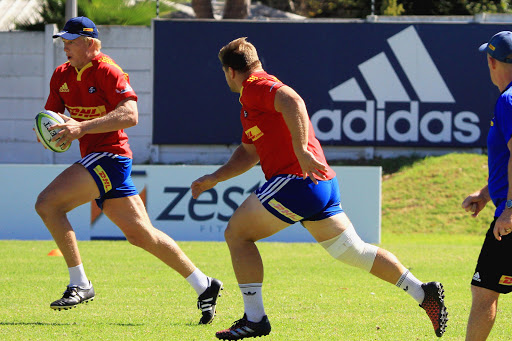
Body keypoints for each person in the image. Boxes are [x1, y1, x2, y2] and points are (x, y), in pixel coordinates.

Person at [191, 37, 448, 340]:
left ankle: (255, 318)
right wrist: (215, 177)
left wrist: (300, 149)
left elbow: (293, 101)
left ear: (231, 72)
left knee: (237, 233)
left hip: (296, 182)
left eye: (224, 73)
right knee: (353, 251)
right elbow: (249, 153)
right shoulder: (253, 99)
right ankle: (423, 292)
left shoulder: (256, 87)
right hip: (319, 185)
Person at [34, 16, 222, 324]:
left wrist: (82, 127)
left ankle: (80, 283)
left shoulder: (108, 70)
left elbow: (130, 114)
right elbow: (52, 115)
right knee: (141, 235)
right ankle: (205, 285)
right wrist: (49, 132)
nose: (64, 46)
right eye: (63, 40)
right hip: (96, 158)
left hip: (110, 156)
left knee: (48, 204)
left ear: (90, 43)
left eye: (70, 40)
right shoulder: (61, 75)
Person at [462, 31, 512, 341]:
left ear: (491, 61)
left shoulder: (508, 100)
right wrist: (486, 193)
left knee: (484, 291)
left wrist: (508, 209)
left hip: (510, 215)